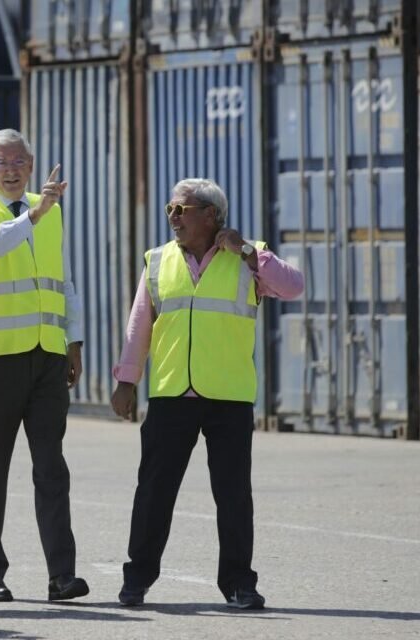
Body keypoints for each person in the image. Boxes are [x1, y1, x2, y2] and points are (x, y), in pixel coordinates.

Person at [111, 178, 304, 610]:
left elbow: (294, 286)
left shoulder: (248, 259)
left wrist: (251, 253)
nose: (174, 217)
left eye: (183, 209)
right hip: (171, 394)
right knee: (154, 492)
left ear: (212, 215)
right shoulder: (159, 260)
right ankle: (137, 578)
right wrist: (127, 378)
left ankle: (239, 583)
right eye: (170, 209)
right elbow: (140, 323)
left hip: (228, 395)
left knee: (233, 495)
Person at [0, 129, 88, 603]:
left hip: (46, 357)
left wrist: (74, 339)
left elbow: (62, 278)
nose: (12, 170)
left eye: (19, 161)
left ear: (31, 165)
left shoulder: (49, 212)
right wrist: (37, 213)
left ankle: (62, 576)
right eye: (1, 162)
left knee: (52, 468)